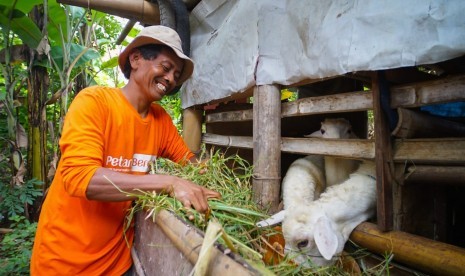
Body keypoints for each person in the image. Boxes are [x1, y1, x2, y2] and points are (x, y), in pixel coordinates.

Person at [30, 25, 221, 275]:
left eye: (175, 74)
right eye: (165, 67)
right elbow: (80, 178)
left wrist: (217, 184)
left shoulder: (160, 120)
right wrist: (168, 183)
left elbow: (190, 162)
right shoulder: (95, 102)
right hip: (64, 264)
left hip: (119, 262)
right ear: (136, 59)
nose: (171, 79)